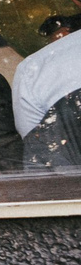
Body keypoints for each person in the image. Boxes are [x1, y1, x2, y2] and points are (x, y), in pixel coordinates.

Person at [13, 14, 81, 169]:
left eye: (63, 37)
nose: (57, 46)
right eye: (51, 43)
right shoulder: (33, 70)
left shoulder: (32, 70)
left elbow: (38, 152)